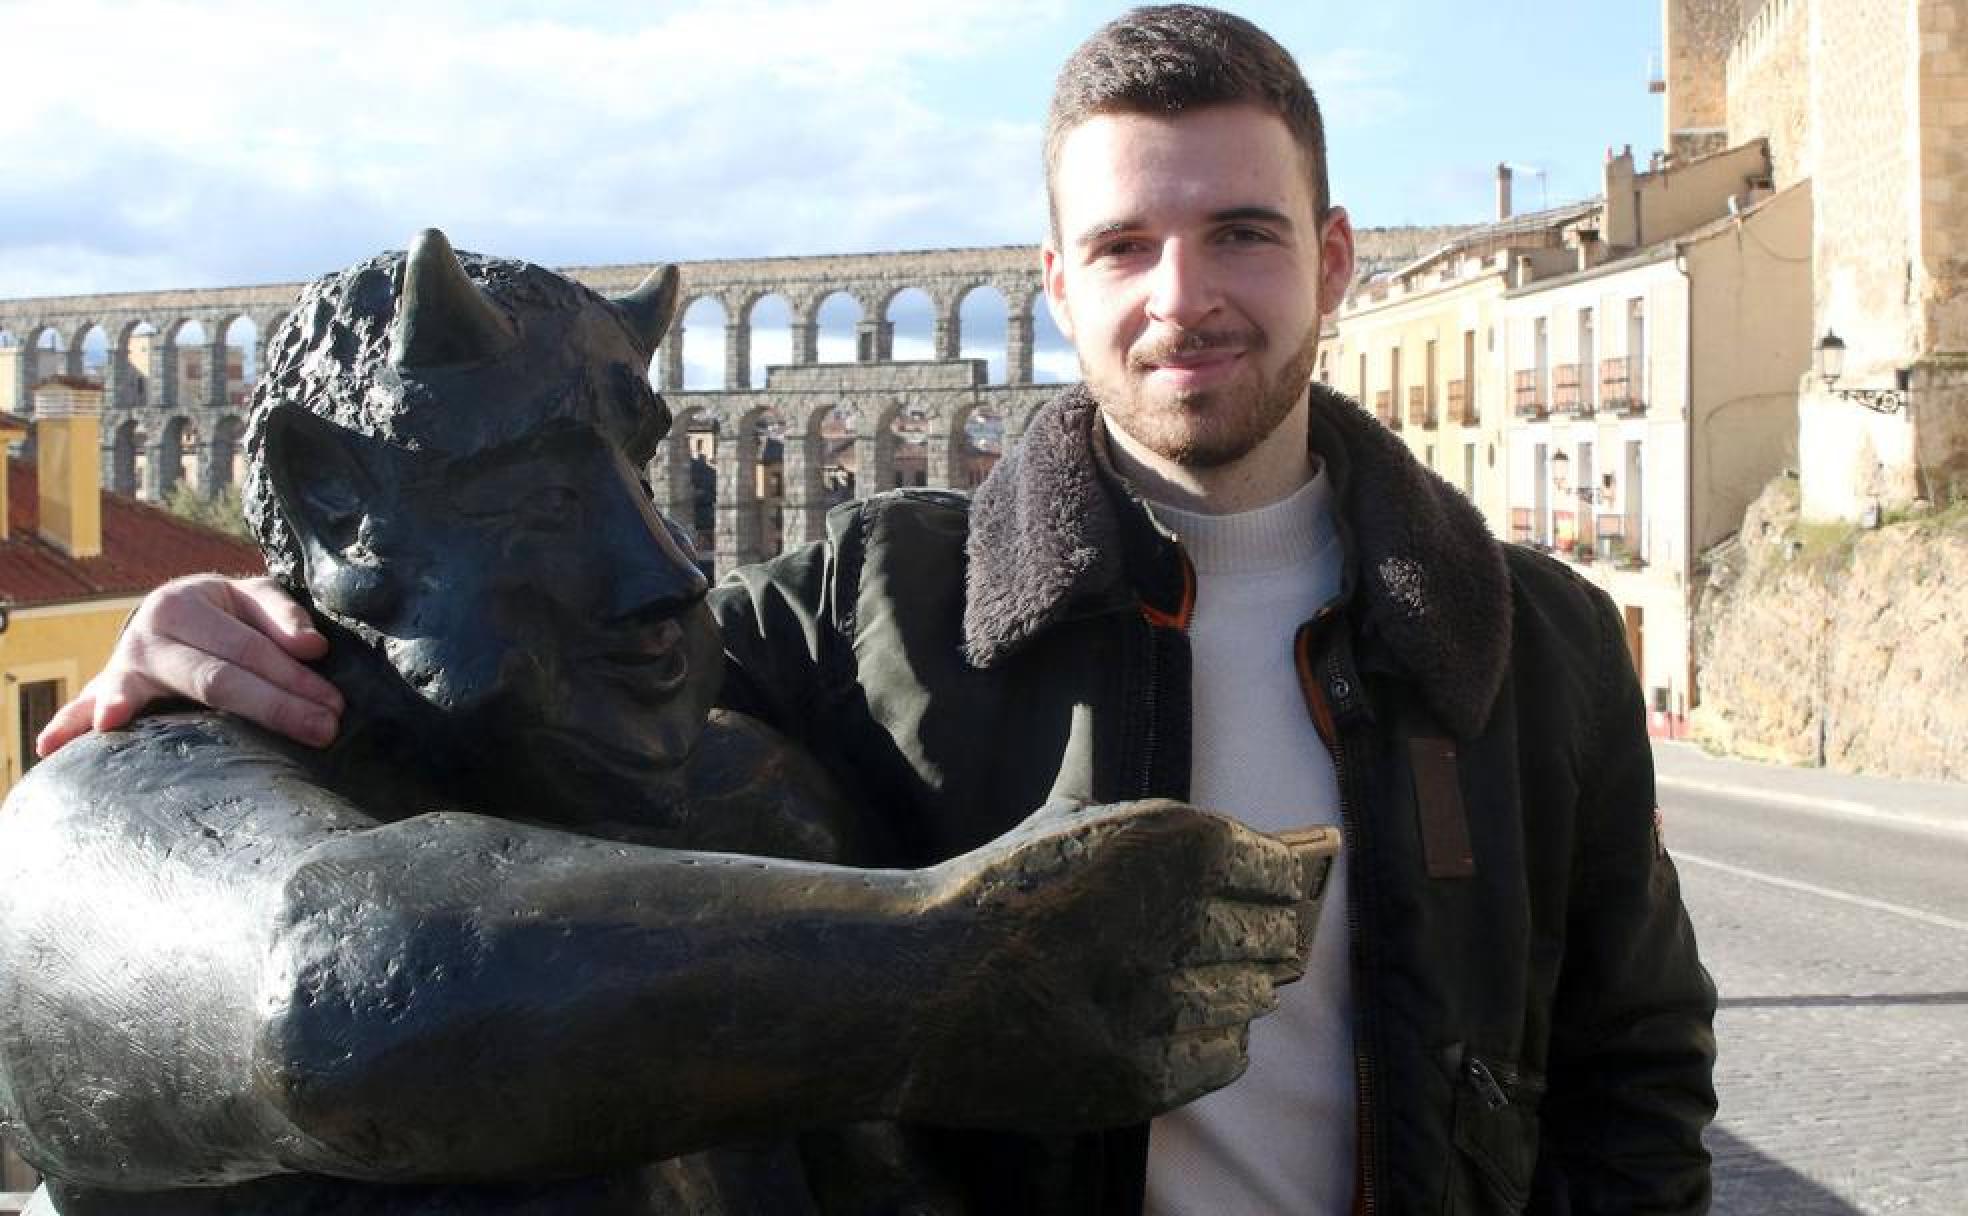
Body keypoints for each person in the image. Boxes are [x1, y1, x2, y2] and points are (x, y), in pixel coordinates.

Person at [34, 5, 1717, 1213]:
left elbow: (1634, 1065)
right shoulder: (882, 597)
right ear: (1056, 286)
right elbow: (513, 694)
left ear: (1337, 262)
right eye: (1124, 246)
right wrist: (239, 613)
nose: (1184, 298)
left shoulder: (1535, 639)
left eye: (1244, 237)